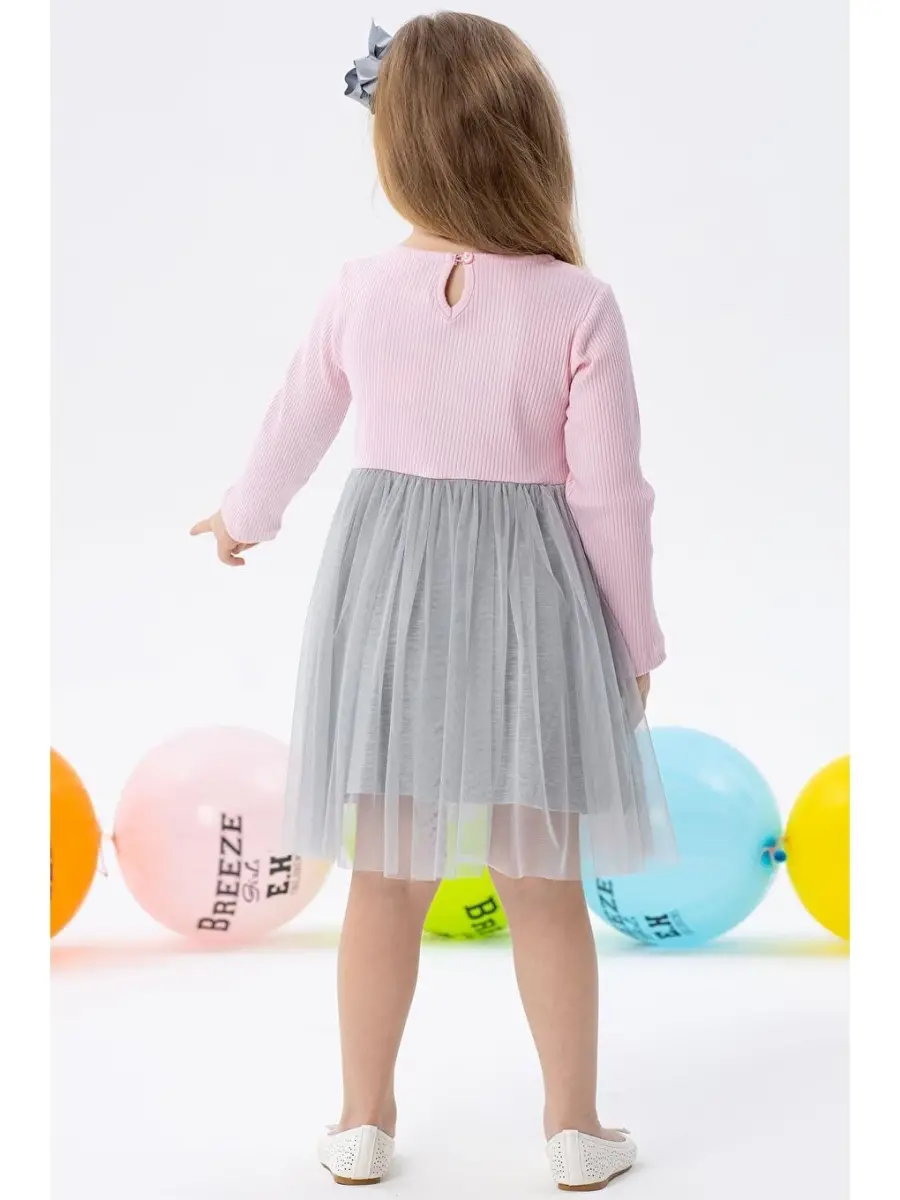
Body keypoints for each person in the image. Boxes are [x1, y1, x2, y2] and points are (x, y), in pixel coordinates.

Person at [192, 13, 676, 1192]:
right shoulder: (577, 303)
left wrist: (244, 516)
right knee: (542, 885)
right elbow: (611, 495)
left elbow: (295, 420)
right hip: (530, 603)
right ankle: (575, 1128)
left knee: (388, 879)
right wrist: (635, 639)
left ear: (396, 145)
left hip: (389, 595)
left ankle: (361, 1120)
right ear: (531, 142)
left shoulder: (363, 289)